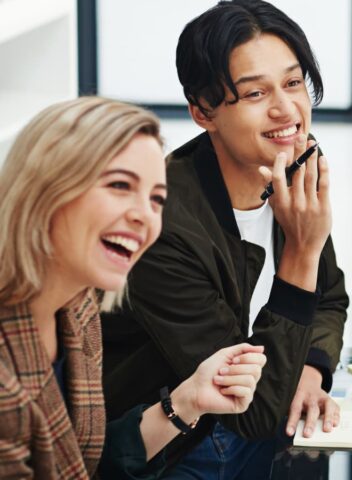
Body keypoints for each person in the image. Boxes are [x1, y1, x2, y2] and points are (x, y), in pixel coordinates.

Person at [101, 0, 349, 478]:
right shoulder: (161, 223)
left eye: (294, 83)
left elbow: (330, 298)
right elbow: (248, 412)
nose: (286, 110)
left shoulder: (292, 168)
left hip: (270, 411)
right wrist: (300, 249)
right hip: (185, 442)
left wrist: (311, 369)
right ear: (203, 112)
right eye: (255, 94)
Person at [0, 97, 267, 479]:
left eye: (157, 198)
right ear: (45, 190)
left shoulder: (77, 309)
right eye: (120, 185)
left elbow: (84, 466)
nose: (145, 216)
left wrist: (188, 401)